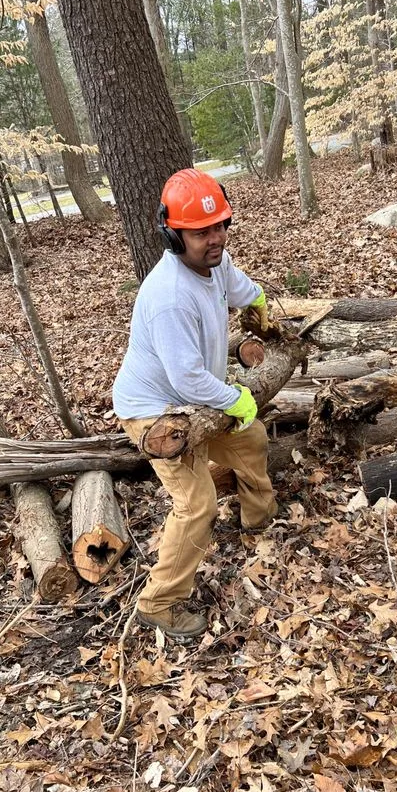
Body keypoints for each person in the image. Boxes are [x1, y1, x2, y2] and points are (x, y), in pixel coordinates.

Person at [112, 168, 279, 639]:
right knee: (197, 504)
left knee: (250, 439)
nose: (215, 238)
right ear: (173, 234)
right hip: (156, 412)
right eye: (201, 231)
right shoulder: (168, 295)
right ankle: (159, 603)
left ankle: (258, 518)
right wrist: (235, 397)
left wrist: (261, 324)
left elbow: (249, 293)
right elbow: (186, 377)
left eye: (221, 226)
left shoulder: (216, 263)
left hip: (197, 394)